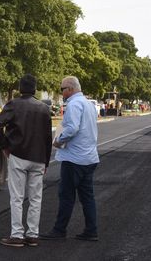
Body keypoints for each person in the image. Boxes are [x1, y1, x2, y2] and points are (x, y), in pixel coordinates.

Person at [0, 74, 52, 248]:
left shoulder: (14, 105)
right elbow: (48, 138)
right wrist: (46, 162)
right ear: (35, 89)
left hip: (18, 155)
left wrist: (5, 145)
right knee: (36, 198)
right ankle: (33, 234)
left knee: (17, 197)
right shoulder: (44, 108)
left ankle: (17, 235)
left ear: (20, 88)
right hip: (39, 158)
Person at [41, 76, 100, 241]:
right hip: (89, 157)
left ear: (70, 89)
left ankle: (59, 230)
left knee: (66, 196)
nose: (62, 92)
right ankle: (91, 230)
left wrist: (58, 140)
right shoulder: (88, 104)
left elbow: (72, 128)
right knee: (87, 197)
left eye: (62, 89)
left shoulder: (74, 104)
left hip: (74, 159)